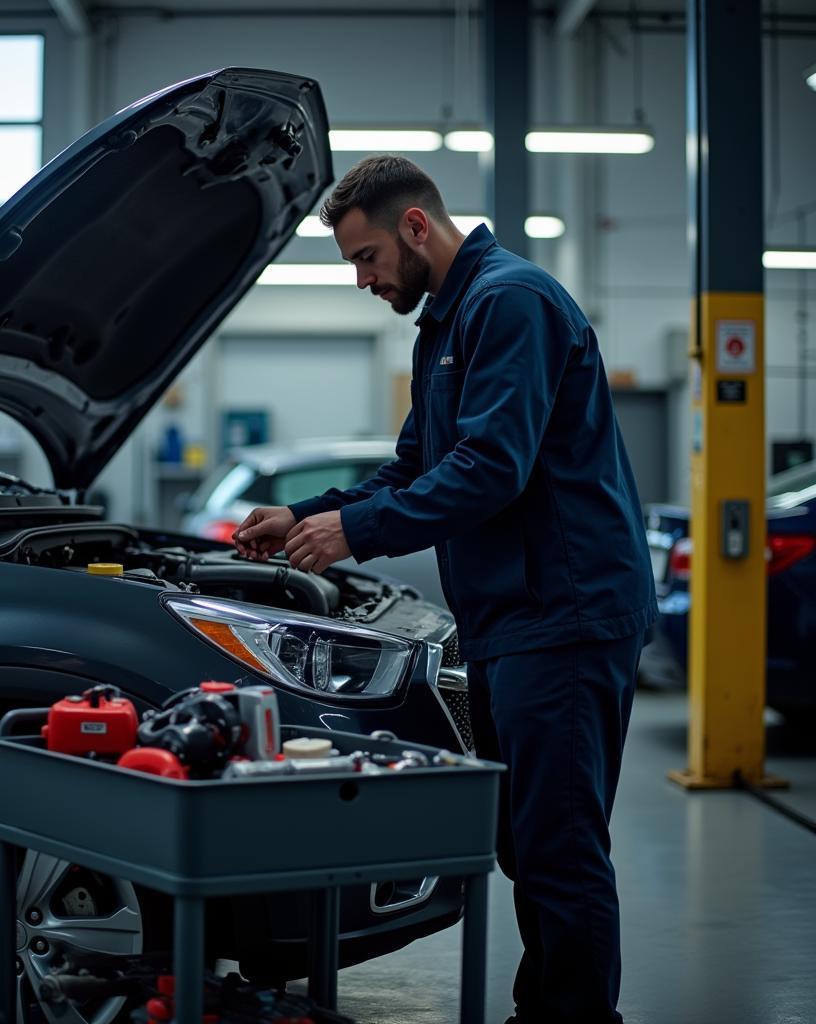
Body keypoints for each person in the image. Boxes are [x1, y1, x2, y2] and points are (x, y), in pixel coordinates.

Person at [233, 154, 657, 1024]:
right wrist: (306, 513)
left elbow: (490, 469)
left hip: (564, 619)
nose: (362, 280)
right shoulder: (450, 321)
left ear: (415, 227)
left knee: (560, 849)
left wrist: (355, 533)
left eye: (366, 258)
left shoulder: (512, 303)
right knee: (526, 846)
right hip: (512, 620)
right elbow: (415, 467)